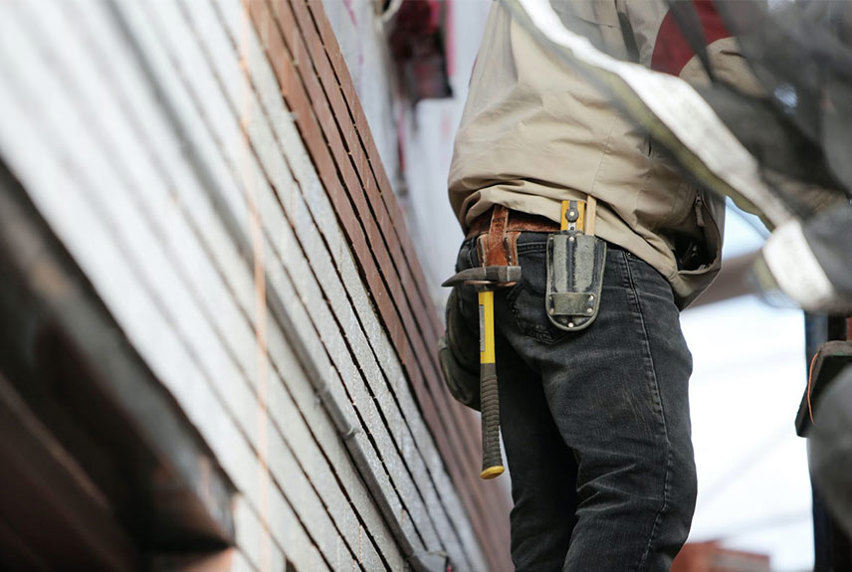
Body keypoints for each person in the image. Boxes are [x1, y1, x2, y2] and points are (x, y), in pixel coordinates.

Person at [443, 1, 758, 569]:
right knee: (645, 487)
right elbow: (711, 70)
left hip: (505, 245)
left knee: (553, 522)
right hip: (583, 245)